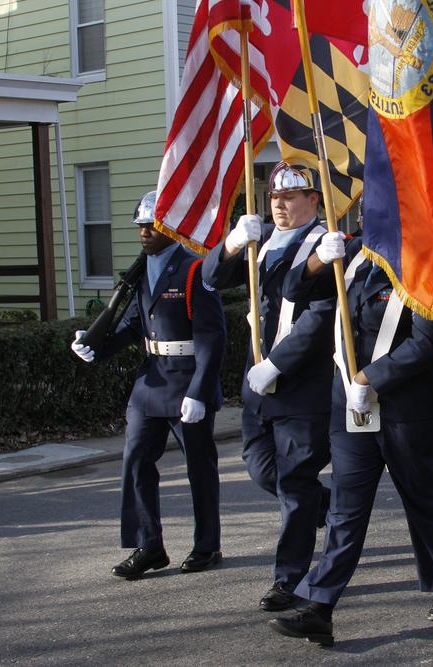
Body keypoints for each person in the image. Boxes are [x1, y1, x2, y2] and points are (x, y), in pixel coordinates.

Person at [266, 229, 433, 647]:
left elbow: (425, 344)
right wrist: (320, 258)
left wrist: (371, 377)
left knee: (421, 498)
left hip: (407, 409)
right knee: (345, 509)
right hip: (352, 407)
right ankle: (320, 608)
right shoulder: (352, 254)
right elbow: (292, 287)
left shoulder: (424, 259)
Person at [71, 191, 226, 579]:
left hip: (187, 382)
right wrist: (95, 346)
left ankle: (207, 545)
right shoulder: (142, 270)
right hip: (151, 381)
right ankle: (149, 545)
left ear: (171, 227)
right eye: (140, 225)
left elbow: (212, 336)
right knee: (136, 461)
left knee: (199, 468)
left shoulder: (196, 270)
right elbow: (134, 324)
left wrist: (201, 390)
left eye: (151, 225)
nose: (143, 232)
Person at [202, 162, 334, 610]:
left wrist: (278, 363)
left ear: (314, 200)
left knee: (295, 484)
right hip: (257, 384)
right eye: (274, 197)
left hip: (302, 384)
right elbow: (211, 280)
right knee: (261, 469)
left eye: (291, 197)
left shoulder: (324, 245)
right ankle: (329, 504)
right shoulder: (262, 244)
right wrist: (232, 244)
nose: (279, 204)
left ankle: (289, 579)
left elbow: (321, 317)